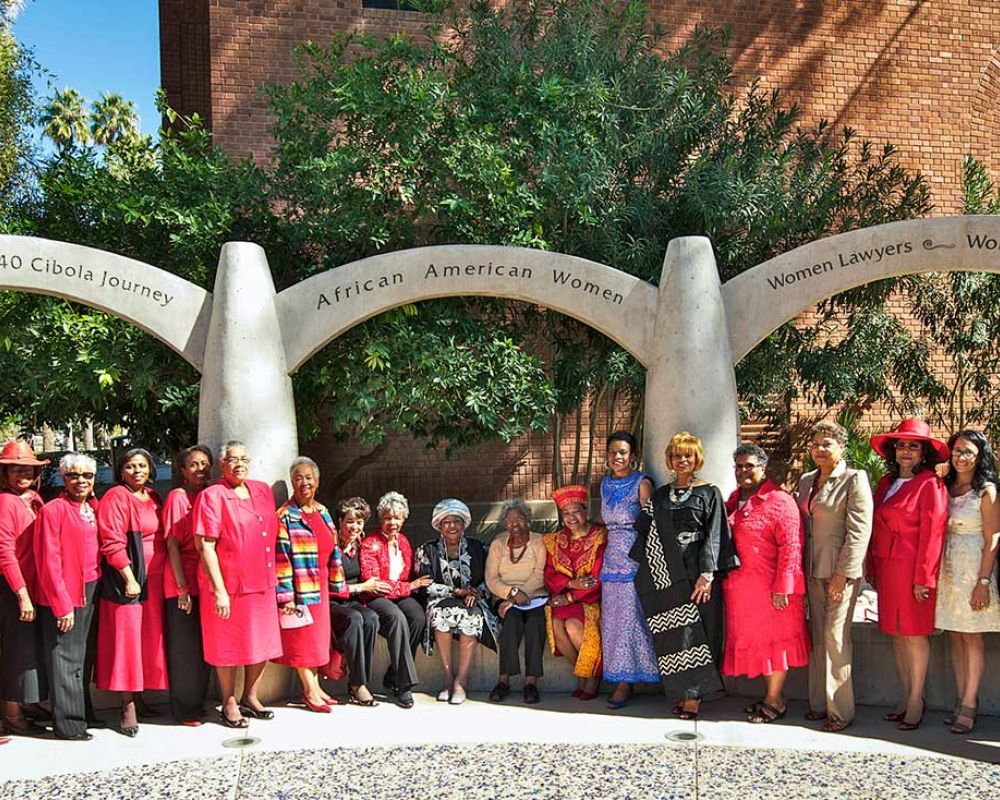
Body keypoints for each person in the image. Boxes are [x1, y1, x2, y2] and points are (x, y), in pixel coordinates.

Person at [630, 431, 738, 720]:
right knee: (675, 637)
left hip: (697, 574)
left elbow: (715, 535)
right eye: (677, 455)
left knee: (700, 632)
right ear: (670, 460)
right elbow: (644, 531)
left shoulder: (709, 493)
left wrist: (708, 574)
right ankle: (681, 691)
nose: (682, 460)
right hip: (665, 575)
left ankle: (695, 696)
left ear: (697, 459)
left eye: (688, 455)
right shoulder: (661, 496)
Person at [867, 418, 949, 731]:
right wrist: (871, 566)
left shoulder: (931, 484)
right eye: (901, 445)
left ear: (923, 452)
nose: (906, 450)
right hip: (887, 568)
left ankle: (917, 699)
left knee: (914, 635)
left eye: (913, 446)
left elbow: (933, 535)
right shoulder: (886, 483)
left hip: (913, 570)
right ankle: (906, 694)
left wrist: (924, 579)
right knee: (897, 635)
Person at [193, 440, 282, 728]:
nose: (239, 464)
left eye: (244, 458)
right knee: (228, 646)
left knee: (262, 642)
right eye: (233, 459)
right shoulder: (213, 495)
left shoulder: (261, 490)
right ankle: (229, 701)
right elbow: (206, 545)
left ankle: (250, 696)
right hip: (228, 586)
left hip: (262, 582)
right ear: (223, 464)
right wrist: (219, 590)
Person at [795, 420, 873, 732]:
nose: (820, 449)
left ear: (842, 446)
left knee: (835, 638)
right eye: (815, 444)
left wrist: (844, 574)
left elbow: (859, 532)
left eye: (827, 443)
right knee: (817, 638)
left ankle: (840, 711)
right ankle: (818, 704)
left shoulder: (855, 479)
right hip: (811, 570)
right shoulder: (805, 480)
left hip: (840, 572)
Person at [723, 444, 809, 724]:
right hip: (743, 590)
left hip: (772, 589)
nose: (744, 471)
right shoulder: (735, 499)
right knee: (760, 643)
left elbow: (792, 545)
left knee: (776, 643)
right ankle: (771, 695)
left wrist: (784, 586)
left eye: (750, 466)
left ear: (763, 467)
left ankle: (775, 700)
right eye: (739, 466)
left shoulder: (779, 500)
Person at [94, 447, 167, 737]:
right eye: (130, 467)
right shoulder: (116, 496)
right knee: (126, 641)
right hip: (129, 580)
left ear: (150, 468)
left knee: (146, 641)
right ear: (120, 472)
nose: (137, 471)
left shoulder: (154, 497)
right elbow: (111, 540)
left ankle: (141, 695)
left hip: (157, 579)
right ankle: (127, 705)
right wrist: (127, 576)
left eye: (142, 465)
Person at [935, 429, 1000, 734]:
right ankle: (960, 699)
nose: (961, 457)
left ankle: (971, 704)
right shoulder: (944, 487)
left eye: (968, 453)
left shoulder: (986, 491)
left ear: (979, 457)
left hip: (974, 565)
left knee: (972, 636)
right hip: (947, 566)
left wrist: (983, 581)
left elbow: (994, 538)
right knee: (955, 635)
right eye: (957, 451)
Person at [33, 454, 100, 741]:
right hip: (66, 593)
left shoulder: (92, 507)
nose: (81, 480)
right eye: (74, 475)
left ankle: (83, 711)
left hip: (92, 588)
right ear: (64, 478)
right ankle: (69, 725)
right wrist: (62, 606)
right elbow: (48, 561)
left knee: (83, 658)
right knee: (65, 659)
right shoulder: (54, 511)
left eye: (87, 475)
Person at [274, 457, 345, 713]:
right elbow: (280, 558)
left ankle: (317, 686)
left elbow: (333, 549)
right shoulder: (284, 516)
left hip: (321, 587)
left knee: (316, 641)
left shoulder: (323, 511)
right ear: (292, 481)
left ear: (317, 480)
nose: (304, 482)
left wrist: (338, 582)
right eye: (298, 478)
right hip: (300, 588)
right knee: (302, 641)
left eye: (309, 477)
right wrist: (287, 596)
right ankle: (309, 691)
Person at [414, 499, 498, 705]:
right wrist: (456, 591)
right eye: (447, 522)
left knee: (471, 617)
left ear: (464, 524)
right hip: (441, 600)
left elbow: (492, 579)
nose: (452, 526)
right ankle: (448, 678)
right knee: (441, 616)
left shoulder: (479, 548)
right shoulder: (427, 550)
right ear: (439, 526)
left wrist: (478, 592)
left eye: (456, 521)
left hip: (472, 601)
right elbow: (425, 584)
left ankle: (461, 681)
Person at [599, 431, 658, 709]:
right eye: (612, 452)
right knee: (614, 623)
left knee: (634, 622)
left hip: (636, 560)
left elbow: (653, 525)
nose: (617, 457)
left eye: (622, 452)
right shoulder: (604, 484)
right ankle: (620, 677)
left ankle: (632, 680)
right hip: (611, 562)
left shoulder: (641, 483)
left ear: (632, 456)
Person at [359, 491, 429, 709]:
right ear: (381, 519)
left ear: (404, 519)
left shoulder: (404, 542)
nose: (392, 522)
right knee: (397, 618)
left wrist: (409, 587)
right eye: (388, 518)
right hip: (374, 598)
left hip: (398, 594)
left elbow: (402, 576)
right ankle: (404, 685)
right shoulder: (370, 544)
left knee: (418, 616)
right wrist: (412, 586)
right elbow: (377, 585)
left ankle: (393, 673)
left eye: (397, 518)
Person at [161, 445, 214, 725]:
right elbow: (171, 544)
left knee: (203, 645)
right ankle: (185, 708)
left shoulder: (208, 496)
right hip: (181, 579)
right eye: (193, 464)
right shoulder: (177, 497)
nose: (200, 469)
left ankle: (198, 702)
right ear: (182, 470)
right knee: (184, 647)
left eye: (205, 463)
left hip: (204, 579)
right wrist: (182, 587)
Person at [0, 440, 49, 736]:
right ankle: (13, 715)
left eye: (27, 469)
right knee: (17, 651)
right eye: (15, 470)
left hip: (34, 585)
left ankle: (27, 704)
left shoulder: (33, 498)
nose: (22, 474)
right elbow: (4, 551)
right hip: (14, 588)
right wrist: (22, 594)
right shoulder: (6, 502)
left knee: (30, 650)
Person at [544, 484, 606, 700]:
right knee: (555, 624)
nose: (571, 517)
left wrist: (571, 596)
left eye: (575, 511)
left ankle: (593, 675)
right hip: (565, 596)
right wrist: (569, 586)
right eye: (566, 513)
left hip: (591, 600)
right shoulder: (555, 541)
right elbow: (550, 572)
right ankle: (583, 671)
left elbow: (596, 578)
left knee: (572, 625)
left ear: (585, 511)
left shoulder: (599, 537)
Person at [485, 499, 547, 704]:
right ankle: (504, 680)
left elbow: (540, 575)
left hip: (535, 596)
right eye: (510, 520)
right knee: (511, 620)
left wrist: (520, 595)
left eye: (519, 519)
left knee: (536, 622)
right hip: (504, 598)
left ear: (528, 520)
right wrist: (510, 594)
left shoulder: (539, 542)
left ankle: (531, 683)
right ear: (504, 524)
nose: (515, 524)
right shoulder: (497, 544)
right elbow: (491, 579)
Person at [329, 497, 379, 707]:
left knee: (372, 618)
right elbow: (329, 586)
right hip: (331, 601)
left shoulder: (360, 544)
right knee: (355, 619)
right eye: (349, 521)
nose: (354, 526)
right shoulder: (331, 546)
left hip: (353, 599)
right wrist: (362, 587)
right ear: (339, 521)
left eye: (359, 522)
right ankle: (359, 685)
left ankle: (359, 681)